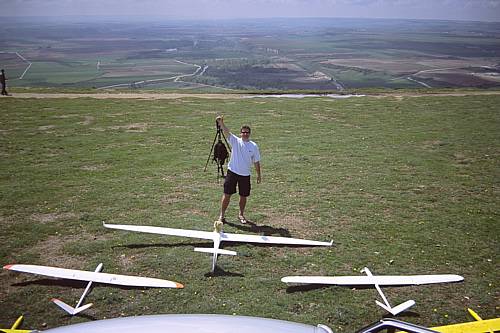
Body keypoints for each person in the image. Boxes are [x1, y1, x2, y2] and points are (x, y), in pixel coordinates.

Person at [216, 115, 261, 227]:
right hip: (232, 172)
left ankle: (241, 214)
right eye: (243, 132)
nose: (245, 134)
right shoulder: (235, 141)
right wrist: (221, 122)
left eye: (247, 132)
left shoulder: (254, 146)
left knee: (243, 196)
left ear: (249, 134)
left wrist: (259, 174)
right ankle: (222, 215)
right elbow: (227, 132)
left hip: (245, 175)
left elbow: (256, 161)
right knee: (227, 194)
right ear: (240, 133)